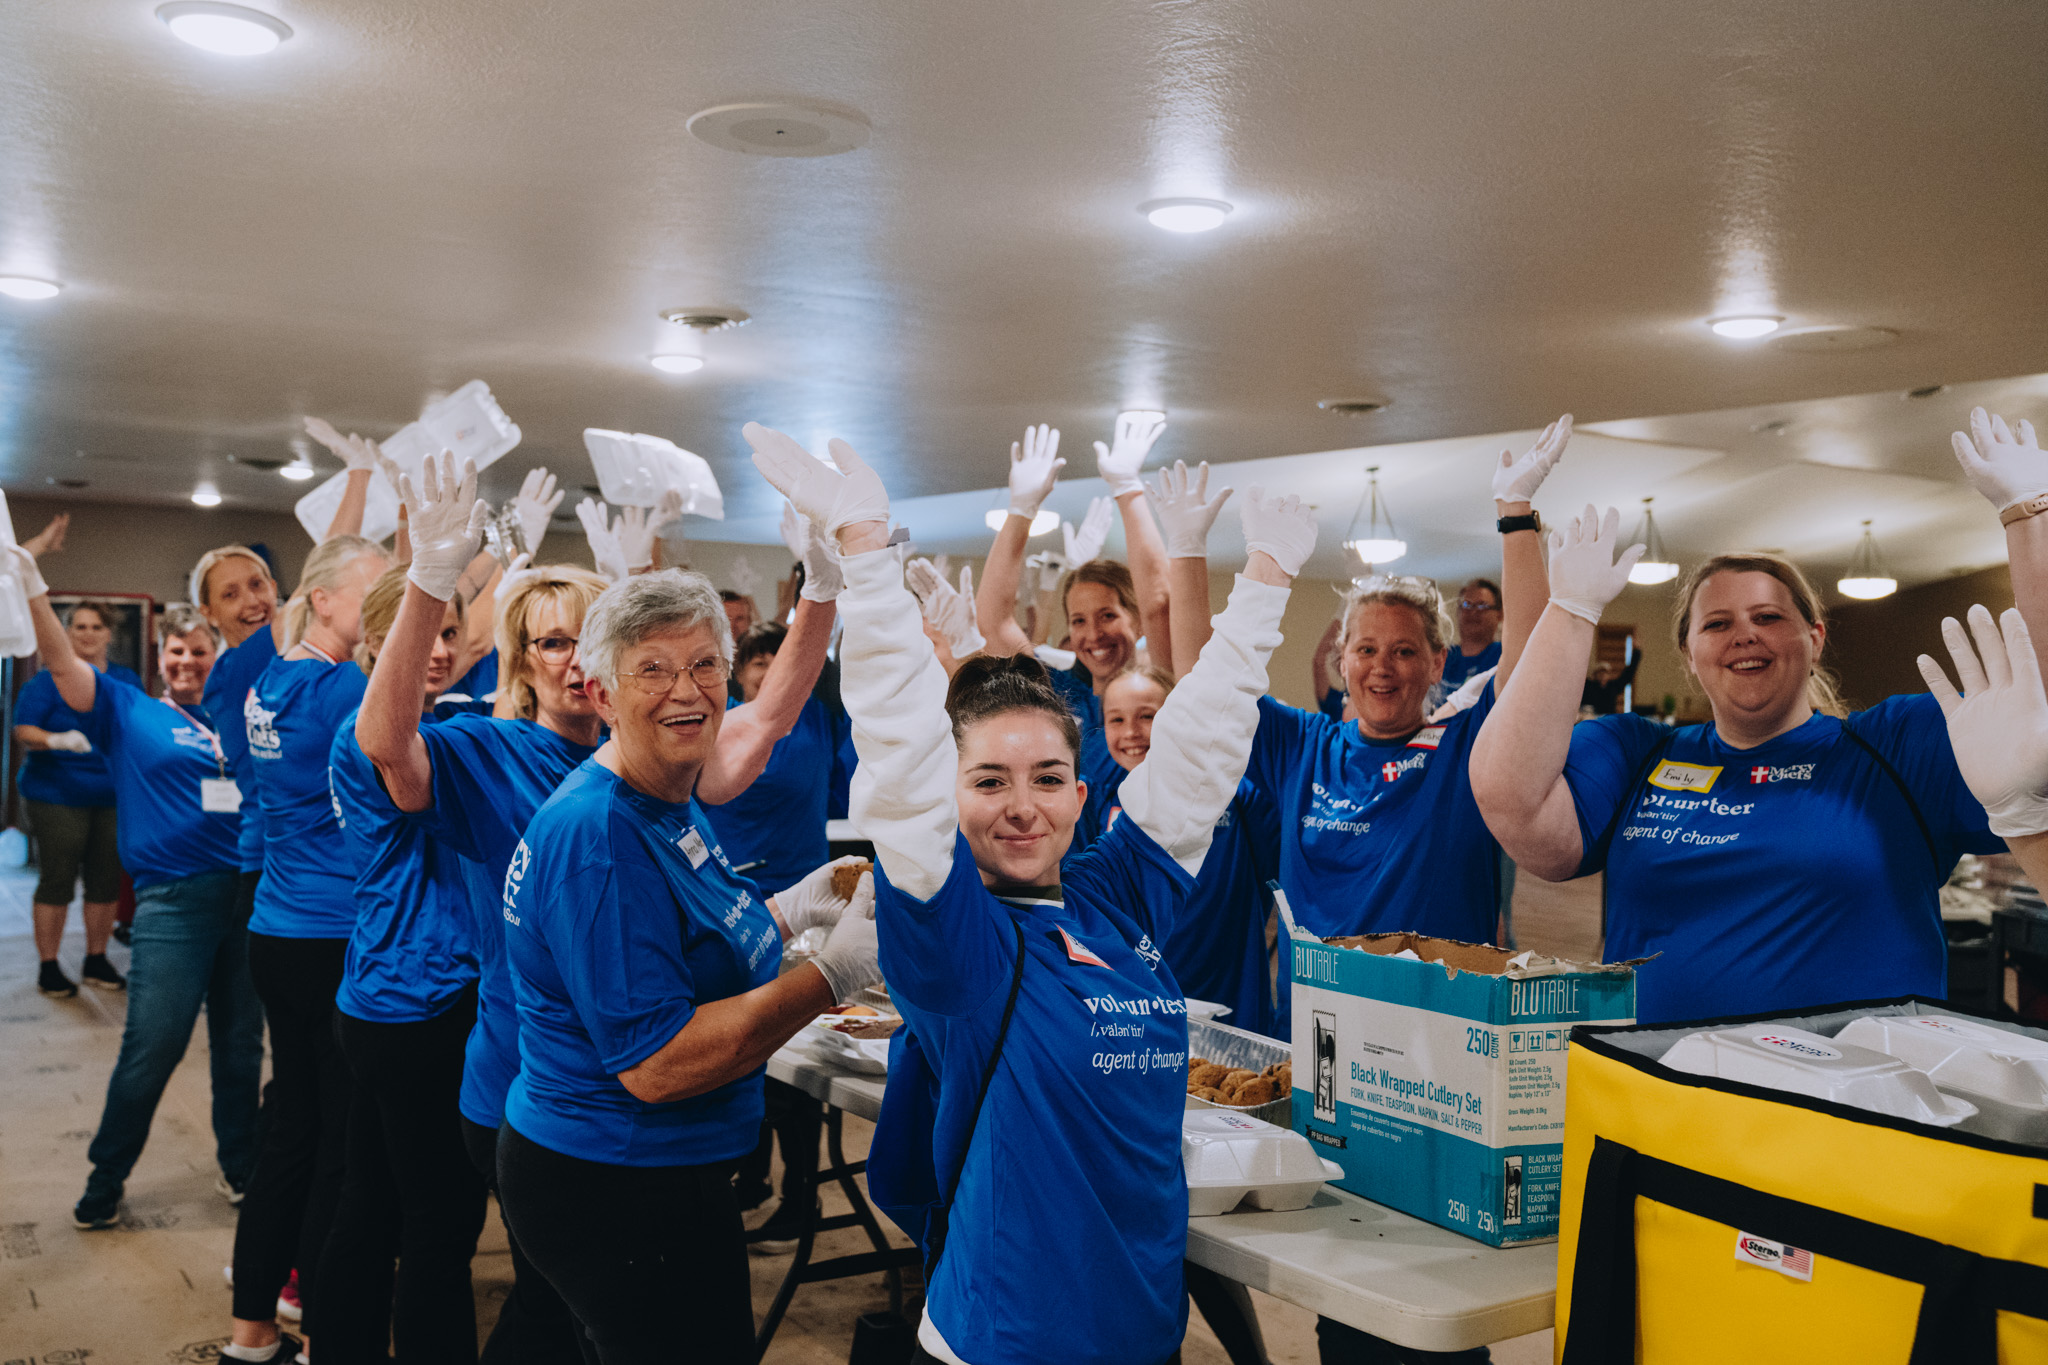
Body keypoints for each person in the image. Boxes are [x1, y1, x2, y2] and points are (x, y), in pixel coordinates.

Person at [748, 420, 1309, 1365]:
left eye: (1047, 777)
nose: (1022, 807)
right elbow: (901, 751)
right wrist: (867, 559)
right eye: (989, 780)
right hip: (1007, 1338)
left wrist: (1264, 586)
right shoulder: (955, 938)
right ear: (952, 796)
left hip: (1139, 1329)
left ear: (1081, 794)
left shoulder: (1111, 893)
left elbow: (1194, 758)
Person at [1471, 406, 2048, 1026]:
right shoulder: (1639, 752)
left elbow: (2034, 704)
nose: (1744, 634)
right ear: (1689, 657)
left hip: (1852, 1103)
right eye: (1717, 624)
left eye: (1769, 618)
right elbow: (1512, 801)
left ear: (1816, 637)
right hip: (1661, 1094)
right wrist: (1572, 608)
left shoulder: (1895, 747)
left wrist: (2029, 515)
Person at [492, 565, 873, 1365]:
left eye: (704, 664)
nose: (686, 690)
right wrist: (829, 979)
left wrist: (788, 907)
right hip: (614, 1175)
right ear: (600, 694)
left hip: (660, 1167)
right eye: (653, 669)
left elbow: (680, 944)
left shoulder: (666, 790)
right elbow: (657, 1063)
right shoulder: (600, 837)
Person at [12, 560, 265, 1233]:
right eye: (176, 652)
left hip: (249, 898)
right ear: (160, 657)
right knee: (152, 1045)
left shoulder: (245, 711)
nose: (187, 662)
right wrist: (37, 592)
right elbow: (63, 664)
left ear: (218, 655)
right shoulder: (130, 709)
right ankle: (106, 1176)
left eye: (199, 651)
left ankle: (240, 1163)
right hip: (173, 903)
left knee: (240, 1048)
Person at [227, 532, 389, 1357]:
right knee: (337, 1145)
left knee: (289, 1129)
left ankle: (251, 1328)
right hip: (332, 937)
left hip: (276, 931)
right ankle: (331, 1329)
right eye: (370, 589)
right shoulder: (346, 685)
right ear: (322, 598)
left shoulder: (271, 680)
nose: (383, 603)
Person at [974, 421, 1178, 849]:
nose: (1093, 635)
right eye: (1079, 621)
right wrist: (1021, 510)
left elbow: (1161, 606)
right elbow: (994, 624)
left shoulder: (1163, 691)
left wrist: (1126, 488)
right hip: (1077, 898)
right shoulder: (1062, 697)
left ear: (1134, 620)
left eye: (1107, 615)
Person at [16, 599, 139, 996]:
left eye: (95, 627)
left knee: (106, 881)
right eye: (79, 627)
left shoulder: (125, 681)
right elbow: (23, 731)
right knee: (58, 879)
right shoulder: (46, 681)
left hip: (111, 796)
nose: (87, 634)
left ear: (109, 634)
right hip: (56, 794)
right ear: (67, 633)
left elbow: (138, 728)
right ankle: (49, 965)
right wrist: (55, 739)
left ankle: (95, 958)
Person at [1444, 578, 1504, 691]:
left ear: (1500, 615)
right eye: (1467, 604)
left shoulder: (1504, 656)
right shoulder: (1443, 658)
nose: (1473, 612)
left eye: (1482, 605)